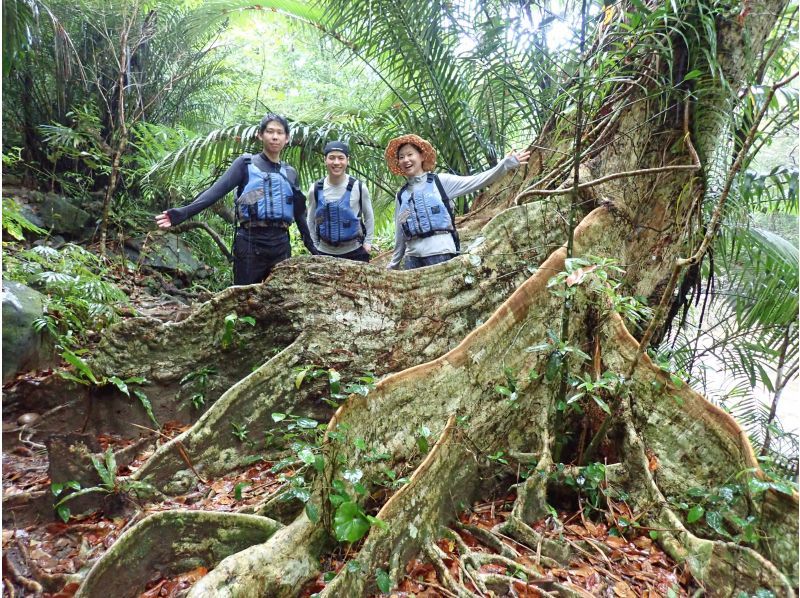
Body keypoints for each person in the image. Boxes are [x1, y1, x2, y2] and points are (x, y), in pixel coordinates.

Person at [155, 113, 318, 285]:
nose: (275, 137)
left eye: (280, 133)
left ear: (287, 139)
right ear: (260, 135)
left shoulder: (290, 173)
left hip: (281, 245)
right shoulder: (245, 164)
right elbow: (214, 193)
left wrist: (313, 249)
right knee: (244, 302)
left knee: (279, 302)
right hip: (250, 243)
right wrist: (180, 214)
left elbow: (300, 214)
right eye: (270, 131)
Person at [385, 134, 530, 270]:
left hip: (441, 252)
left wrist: (505, 165)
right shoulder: (402, 195)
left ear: (422, 156)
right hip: (412, 259)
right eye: (401, 157)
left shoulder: (440, 182)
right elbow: (400, 231)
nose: (406, 160)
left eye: (410, 154)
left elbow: (478, 181)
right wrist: (393, 264)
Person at [306, 141, 375, 262]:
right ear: (325, 160)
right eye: (331, 158)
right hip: (323, 253)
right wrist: (315, 247)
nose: (336, 162)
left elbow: (369, 217)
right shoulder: (315, 189)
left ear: (347, 160)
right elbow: (310, 220)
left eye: (341, 158)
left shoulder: (358, 187)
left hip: (355, 252)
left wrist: (368, 243)